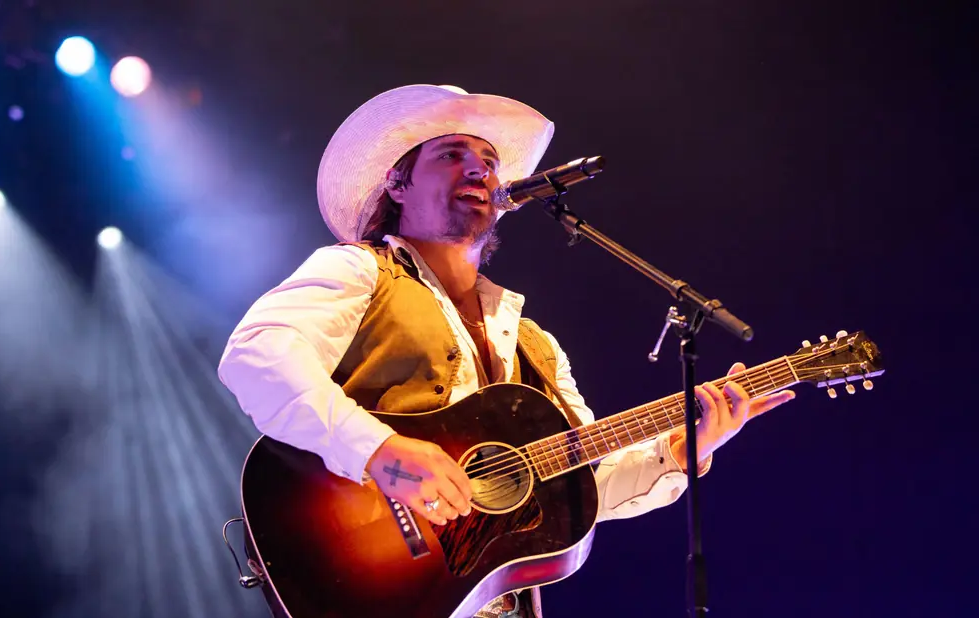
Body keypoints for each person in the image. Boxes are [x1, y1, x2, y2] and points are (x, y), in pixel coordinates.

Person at [217, 84, 796, 618]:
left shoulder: (533, 343)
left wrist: (682, 451)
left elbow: (586, 487)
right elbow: (256, 355)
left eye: (489, 160)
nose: (479, 168)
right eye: (451, 154)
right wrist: (379, 451)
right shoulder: (360, 270)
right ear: (396, 184)